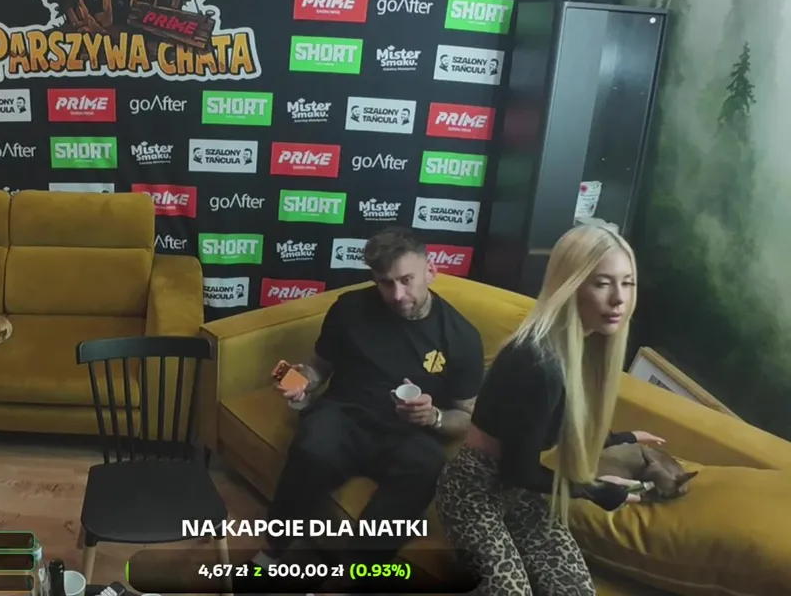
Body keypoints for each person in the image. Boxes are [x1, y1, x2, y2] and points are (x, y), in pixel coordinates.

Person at [434, 221, 663, 595]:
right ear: (571, 285)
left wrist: (621, 438)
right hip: (473, 491)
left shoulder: (582, 349)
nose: (619, 299)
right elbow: (517, 468)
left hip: (516, 492)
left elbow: (558, 424)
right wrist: (594, 490)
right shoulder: (537, 362)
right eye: (602, 283)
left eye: (628, 283)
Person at [255, 227, 484, 570]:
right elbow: (319, 367)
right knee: (312, 447)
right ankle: (273, 548)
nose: (398, 294)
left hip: (408, 432)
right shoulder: (349, 308)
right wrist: (302, 381)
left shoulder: (461, 336)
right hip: (344, 415)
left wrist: (434, 416)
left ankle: (351, 574)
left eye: (406, 280)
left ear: (431, 271)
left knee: (426, 468)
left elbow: (465, 416)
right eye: (386, 283)